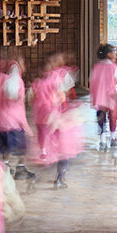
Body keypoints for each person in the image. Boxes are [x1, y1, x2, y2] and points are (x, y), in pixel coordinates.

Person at [28, 54, 83, 189]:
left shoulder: (36, 84)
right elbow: (62, 97)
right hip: (56, 118)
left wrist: (36, 108)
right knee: (63, 148)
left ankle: (46, 153)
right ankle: (60, 177)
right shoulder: (56, 80)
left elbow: (30, 99)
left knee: (47, 139)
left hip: (44, 118)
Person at [0, 56, 35, 181]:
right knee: (23, 146)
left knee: (5, 147)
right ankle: (20, 168)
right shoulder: (18, 82)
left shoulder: (3, 80)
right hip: (11, 122)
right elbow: (18, 106)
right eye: (23, 63)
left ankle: (6, 167)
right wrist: (25, 125)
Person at [89, 44, 117, 151]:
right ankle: (112, 137)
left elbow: (92, 79)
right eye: (114, 52)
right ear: (109, 54)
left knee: (101, 117)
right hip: (110, 96)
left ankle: (103, 139)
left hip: (99, 96)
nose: (116, 55)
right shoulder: (113, 67)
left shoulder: (96, 66)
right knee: (113, 117)